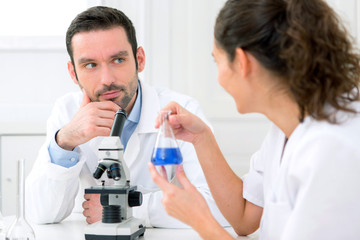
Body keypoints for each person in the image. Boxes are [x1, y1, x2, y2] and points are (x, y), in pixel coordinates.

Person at [149, 0, 360, 239]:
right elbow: (244, 217)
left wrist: (200, 221)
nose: (218, 77)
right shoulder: (284, 128)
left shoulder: (334, 148)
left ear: (242, 62)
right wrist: (201, 138)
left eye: (216, 61)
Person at [25, 6, 228, 228]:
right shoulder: (66, 112)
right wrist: (65, 141)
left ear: (139, 59)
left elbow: (222, 206)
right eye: (90, 65)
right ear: (73, 73)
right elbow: (40, 213)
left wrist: (126, 208)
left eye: (118, 60)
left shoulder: (182, 110)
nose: (107, 79)